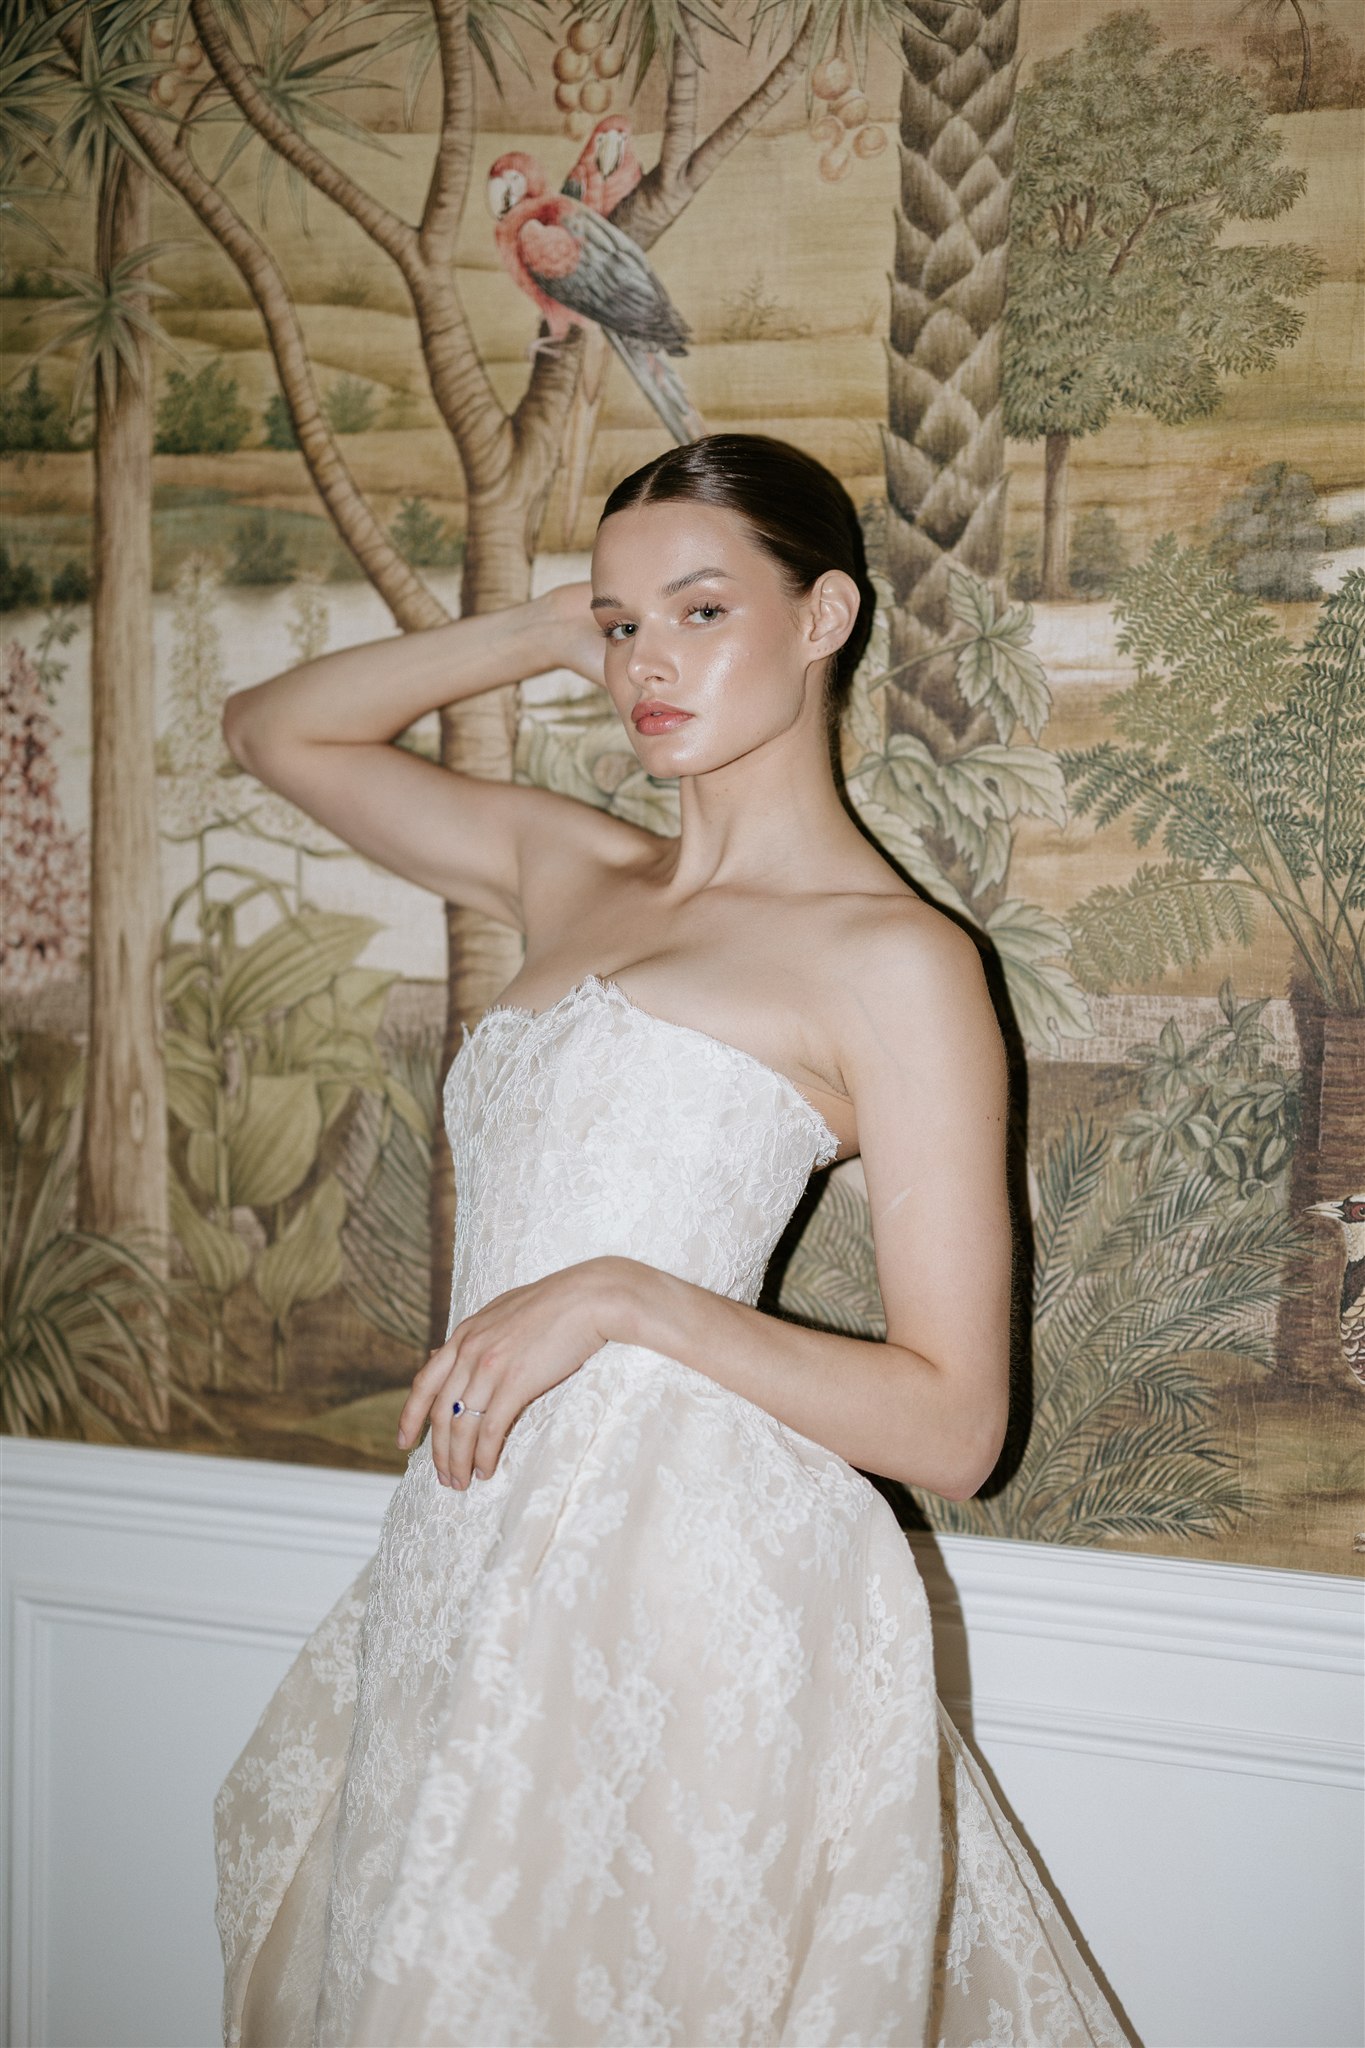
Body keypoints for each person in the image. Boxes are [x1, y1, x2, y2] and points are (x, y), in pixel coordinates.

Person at [213, 434, 1129, 2047]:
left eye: (704, 612)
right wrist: (550, 626)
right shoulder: (572, 867)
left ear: (824, 613)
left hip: (693, 1592)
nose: (650, 665)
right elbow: (272, 728)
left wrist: (626, 1299)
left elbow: (955, 1425)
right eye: (627, 626)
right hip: (469, 1550)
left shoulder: (895, 961)